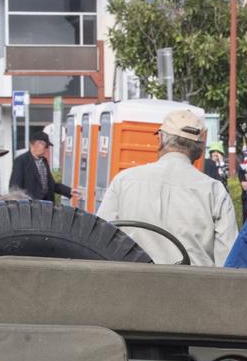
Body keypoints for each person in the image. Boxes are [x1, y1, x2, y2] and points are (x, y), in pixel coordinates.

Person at [96, 109, 237, 266]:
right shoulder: (214, 190)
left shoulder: (124, 180)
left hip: (133, 283)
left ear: (161, 139)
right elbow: (227, 258)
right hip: (195, 285)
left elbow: (100, 238)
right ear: (199, 150)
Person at [10, 131, 76, 203]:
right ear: (37, 144)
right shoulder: (21, 161)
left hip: (47, 206)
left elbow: (51, 184)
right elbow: (15, 188)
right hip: (30, 208)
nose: (47, 149)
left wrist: (69, 191)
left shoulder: (44, 161)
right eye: (46, 146)